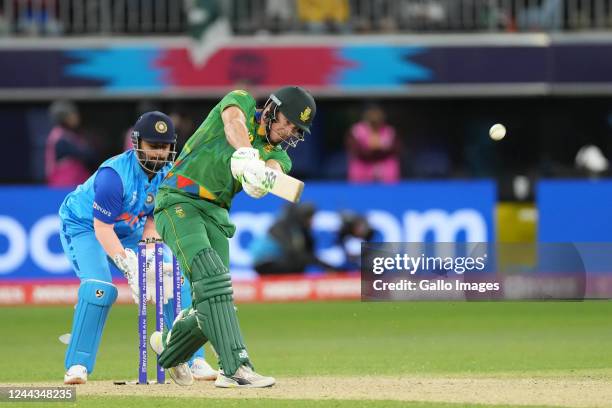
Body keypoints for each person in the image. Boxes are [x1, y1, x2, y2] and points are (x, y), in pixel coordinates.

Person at [149, 86, 316, 388]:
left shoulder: (279, 155)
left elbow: (275, 171)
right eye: (287, 121)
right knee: (212, 277)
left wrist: (263, 179)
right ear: (271, 109)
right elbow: (234, 124)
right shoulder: (240, 100)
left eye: (295, 128)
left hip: (216, 213)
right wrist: (246, 155)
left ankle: (169, 347)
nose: (288, 130)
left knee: (214, 298)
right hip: (177, 200)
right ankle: (235, 368)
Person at [59, 111, 215, 384]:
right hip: (84, 225)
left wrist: (150, 244)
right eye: (153, 146)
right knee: (100, 288)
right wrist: (127, 264)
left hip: (129, 226)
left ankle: (194, 359)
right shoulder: (114, 176)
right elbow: (102, 229)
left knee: (174, 278)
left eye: (165, 146)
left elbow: (155, 216)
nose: (159, 153)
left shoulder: (169, 172)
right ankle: (78, 366)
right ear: (137, 143)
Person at [251, 202, 337, 275]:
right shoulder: (281, 227)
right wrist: (326, 267)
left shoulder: (297, 230)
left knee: (300, 261)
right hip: (266, 264)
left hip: (275, 261)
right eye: (308, 218)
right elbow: (294, 253)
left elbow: (307, 252)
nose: (311, 222)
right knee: (298, 262)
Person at [45, 100, 97, 187]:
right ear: (64, 117)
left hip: (73, 185)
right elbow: (88, 155)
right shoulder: (60, 137)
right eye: (73, 114)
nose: (77, 117)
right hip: (63, 187)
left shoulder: (69, 135)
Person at [346, 103, 401, 183]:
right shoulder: (356, 131)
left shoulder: (389, 131)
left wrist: (382, 149)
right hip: (363, 166)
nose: (375, 119)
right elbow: (353, 149)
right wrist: (368, 150)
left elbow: (396, 149)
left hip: (384, 166)